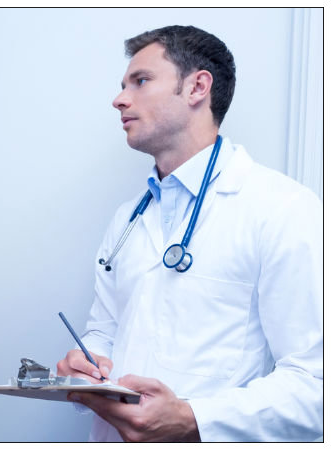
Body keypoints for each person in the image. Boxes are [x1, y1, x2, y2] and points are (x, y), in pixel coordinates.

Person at [56, 25, 322, 442]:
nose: (119, 99)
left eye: (140, 81)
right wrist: (87, 364)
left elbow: (315, 384)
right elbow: (105, 331)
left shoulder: (283, 209)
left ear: (197, 87)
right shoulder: (128, 219)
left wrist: (194, 417)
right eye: (123, 85)